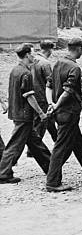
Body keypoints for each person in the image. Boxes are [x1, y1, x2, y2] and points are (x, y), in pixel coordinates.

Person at [46, 38, 82, 192]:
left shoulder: (58, 63)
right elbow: (68, 91)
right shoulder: (74, 67)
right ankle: (52, 182)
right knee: (60, 148)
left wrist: (51, 104)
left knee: (78, 144)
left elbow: (48, 85)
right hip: (69, 112)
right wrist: (57, 105)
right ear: (79, 49)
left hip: (61, 113)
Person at [0, 45, 51, 184]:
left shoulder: (15, 70)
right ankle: (3, 173)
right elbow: (29, 96)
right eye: (33, 53)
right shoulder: (26, 73)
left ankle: (50, 167)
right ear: (27, 55)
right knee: (15, 144)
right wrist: (41, 113)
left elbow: (13, 92)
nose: (34, 56)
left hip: (17, 112)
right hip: (24, 115)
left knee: (35, 142)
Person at [31, 40, 58, 143]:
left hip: (34, 95)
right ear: (49, 50)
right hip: (43, 96)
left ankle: (57, 140)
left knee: (49, 120)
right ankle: (34, 147)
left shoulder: (33, 60)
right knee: (41, 121)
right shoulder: (45, 63)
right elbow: (51, 81)